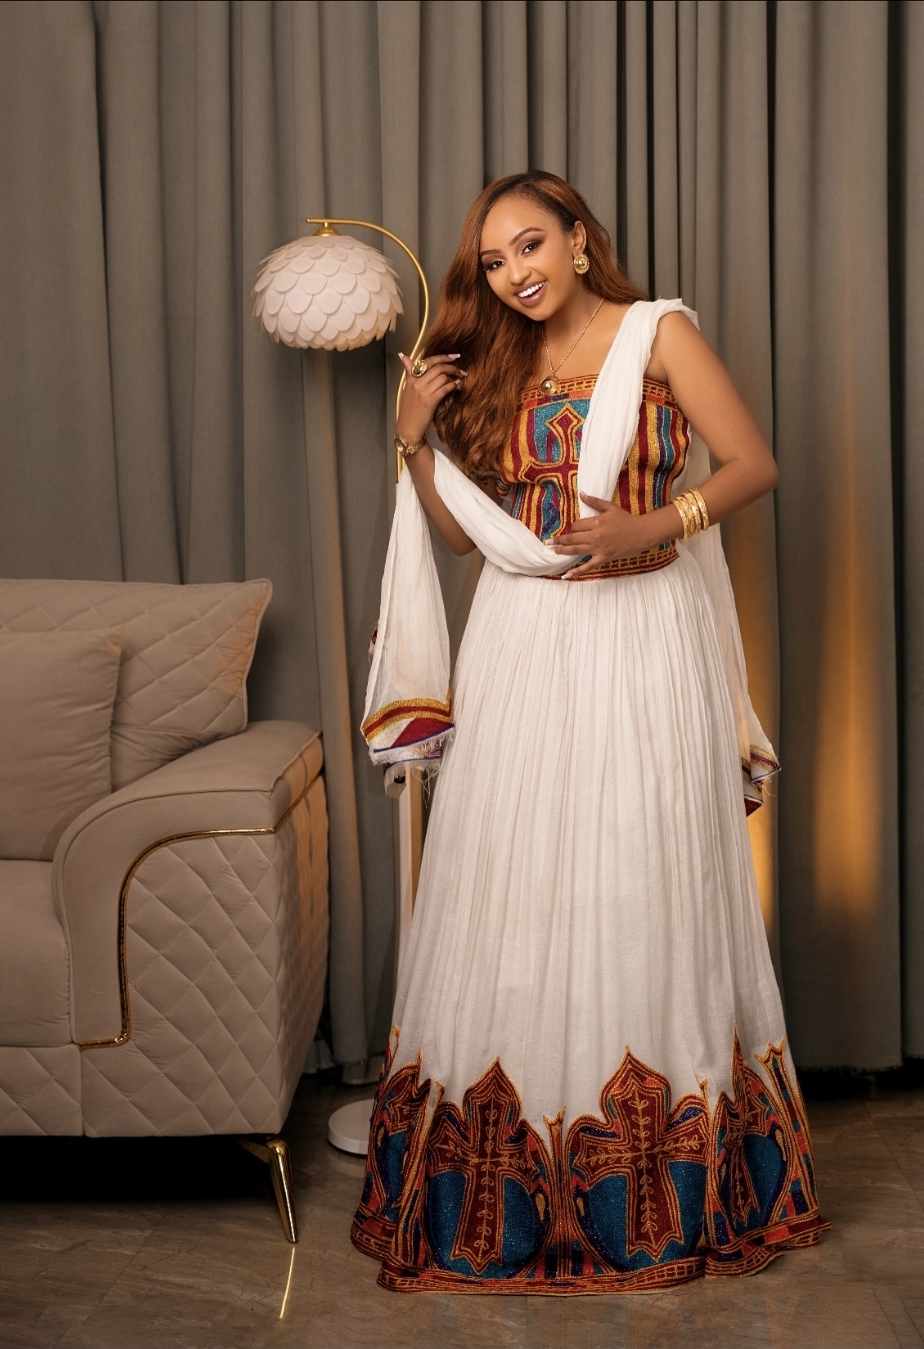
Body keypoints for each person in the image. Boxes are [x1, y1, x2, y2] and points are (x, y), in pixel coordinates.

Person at [352, 171, 826, 1293]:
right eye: (493, 261)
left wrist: (652, 522)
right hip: (520, 637)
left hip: (643, 630)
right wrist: (411, 440)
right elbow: (466, 541)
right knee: (514, 874)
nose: (514, 273)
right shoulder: (496, 360)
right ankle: (503, 1185)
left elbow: (753, 464)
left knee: (640, 872)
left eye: (530, 244)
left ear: (576, 238)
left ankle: (653, 1189)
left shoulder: (657, 332)